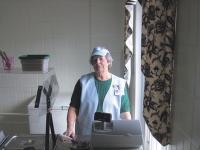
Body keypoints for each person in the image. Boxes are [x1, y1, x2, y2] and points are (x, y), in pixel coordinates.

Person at [64, 46, 131, 139]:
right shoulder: (83, 82)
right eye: (94, 60)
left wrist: (129, 132)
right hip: (85, 134)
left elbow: (124, 112)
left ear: (108, 61)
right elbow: (73, 108)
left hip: (111, 136)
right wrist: (70, 127)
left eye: (100, 59)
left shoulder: (120, 83)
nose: (97, 62)